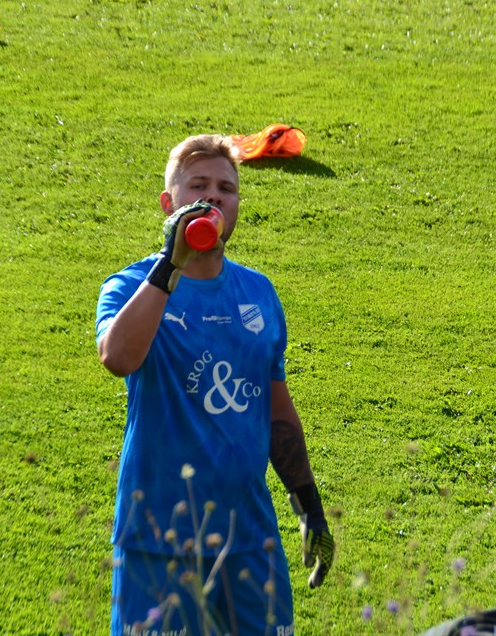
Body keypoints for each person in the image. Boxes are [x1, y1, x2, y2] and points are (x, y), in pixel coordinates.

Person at [96, 134, 334, 636]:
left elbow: (276, 412)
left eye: (226, 189)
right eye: (198, 186)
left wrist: (308, 504)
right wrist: (172, 262)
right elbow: (118, 357)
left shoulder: (258, 292)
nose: (213, 198)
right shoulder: (129, 285)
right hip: (158, 541)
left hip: (249, 540)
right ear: (169, 203)